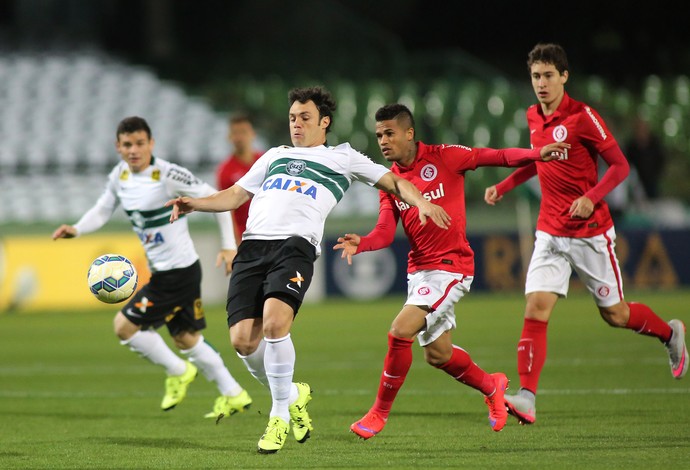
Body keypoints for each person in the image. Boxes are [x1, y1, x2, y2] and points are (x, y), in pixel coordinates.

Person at [165, 86, 451, 454]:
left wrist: (421, 201)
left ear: (324, 122)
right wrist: (195, 204)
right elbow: (236, 195)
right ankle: (292, 394)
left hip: (295, 246)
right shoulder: (273, 156)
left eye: (305, 118)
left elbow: (394, 181)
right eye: (292, 118)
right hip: (252, 247)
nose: (296, 125)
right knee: (242, 341)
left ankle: (279, 417)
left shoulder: (343, 158)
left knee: (274, 324)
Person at [332, 103, 569, 439]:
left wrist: (536, 153)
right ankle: (492, 386)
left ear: (409, 133)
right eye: (378, 135)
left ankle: (378, 414)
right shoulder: (390, 182)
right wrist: (363, 243)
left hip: (451, 266)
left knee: (400, 331)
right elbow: (384, 232)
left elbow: (496, 156)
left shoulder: (445, 156)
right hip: (420, 273)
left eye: (389, 133)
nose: (383, 141)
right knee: (439, 354)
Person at [483, 43, 688, 426]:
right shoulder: (532, 116)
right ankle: (526, 397)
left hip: (590, 232)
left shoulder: (583, 117)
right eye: (535, 76)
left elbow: (620, 166)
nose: (541, 84)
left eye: (548, 75)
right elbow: (536, 162)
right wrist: (505, 186)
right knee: (536, 308)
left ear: (564, 76)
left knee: (616, 314)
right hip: (550, 231)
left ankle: (670, 332)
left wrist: (591, 199)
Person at [52, 116, 253, 421]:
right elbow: (103, 208)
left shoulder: (167, 174)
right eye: (127, 144)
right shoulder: (119, 176)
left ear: (151, 144)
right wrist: (77, 229)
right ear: (118, 147)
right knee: (185, 338)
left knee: (124, 326)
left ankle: (178, 371)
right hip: (169, 271)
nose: (134, 150)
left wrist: (228, 245)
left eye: (140, 143)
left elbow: (216, 199)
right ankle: (234, 393)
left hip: (178, 272)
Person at [216, 113, 264, 242]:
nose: (239, 137)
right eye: (235, 133)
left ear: (253, 134)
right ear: (229, 137)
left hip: (269, 231)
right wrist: (233, 242)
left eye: (243, 132)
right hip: (245, 236)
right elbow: (226, 210)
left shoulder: (265, 161)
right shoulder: (225, 171)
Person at [625, 116, 667, 200]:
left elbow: (661, 158)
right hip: (636, 181)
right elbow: (628, 162)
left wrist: (657, 173)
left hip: (652, 180)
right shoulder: (631, 146)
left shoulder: (655, 142)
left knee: (653, 201)